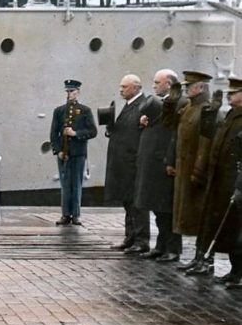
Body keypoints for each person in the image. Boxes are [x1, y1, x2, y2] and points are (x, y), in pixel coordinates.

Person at [193, 76, 242, 288]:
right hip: (221, 182)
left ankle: (238, 272)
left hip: (234, 184)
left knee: (235, 229)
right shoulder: (230, 116)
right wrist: (211, 111)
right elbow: (210, 136)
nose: (229, 95)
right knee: (226, 229)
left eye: (234, 92)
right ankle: (234, 271)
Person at [165, 71, 213, 273]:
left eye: (189, 86)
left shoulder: (207, 110)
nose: (186, 89)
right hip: (183, 171)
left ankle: (203, 258)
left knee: (200, 216)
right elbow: (171, 129)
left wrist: (198, 171)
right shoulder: (187, 108)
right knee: (186, 216)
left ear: (201, 88)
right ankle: (197, 257)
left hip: (195, 173)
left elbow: (205, 143)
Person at [134, 70, 181, 261]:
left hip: (163, 164)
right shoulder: (164, 104)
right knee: (159, 209)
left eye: (157, 82)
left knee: (167, 209)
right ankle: (161, 246)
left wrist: (169, 160)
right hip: (154, 164)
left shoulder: (177, 103)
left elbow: (174, 135)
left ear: (169, 84)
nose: (153, 86)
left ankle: (172, 248)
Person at [104, 74, 148, 252]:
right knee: (128, 202)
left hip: (133, 163)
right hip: (124, 163)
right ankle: (130, 237)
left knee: (136, 203)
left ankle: (141, 240)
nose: (121, 90)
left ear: (136, 88)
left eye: (124, 87)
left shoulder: (143, 106)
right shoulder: (129, 105)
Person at [50, 79, 97, 226]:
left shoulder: (85, 111)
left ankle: (76, 214)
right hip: (64, 153)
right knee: (65, 184)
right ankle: (65, 214)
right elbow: (53, 134)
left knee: (76, 184)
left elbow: (92, 131)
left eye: (72, 91)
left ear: (78, 92)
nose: (70, 94)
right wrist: (57, 151)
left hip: (78, 153)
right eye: (68, 91)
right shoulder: (59, 111)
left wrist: (75, 133)